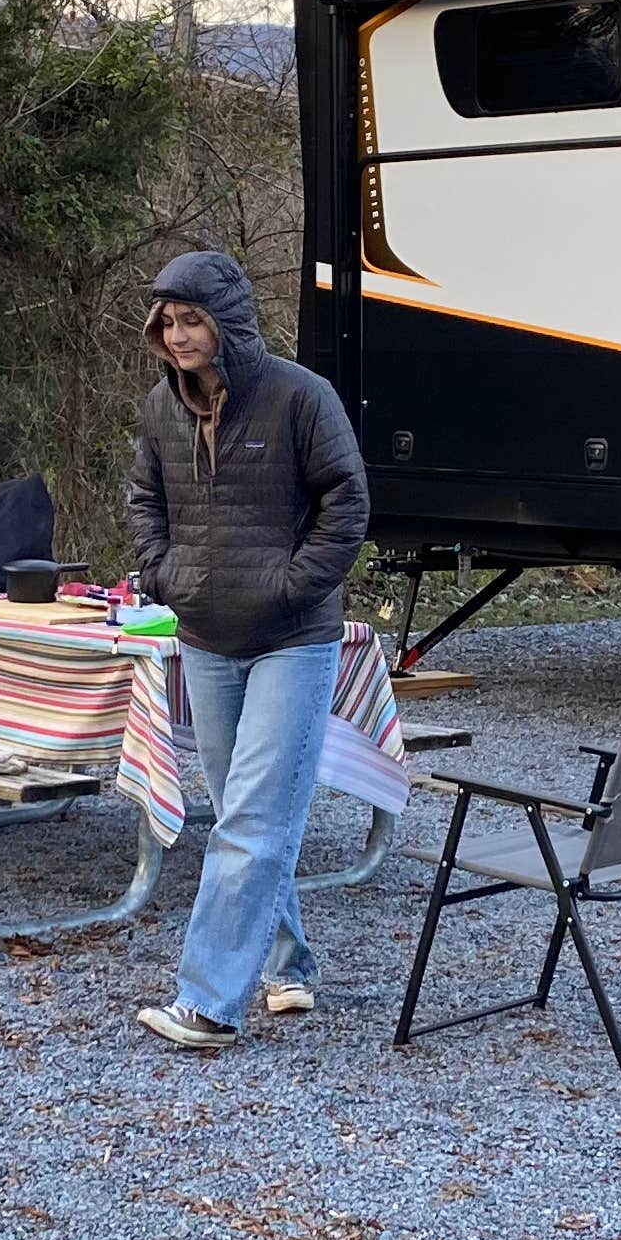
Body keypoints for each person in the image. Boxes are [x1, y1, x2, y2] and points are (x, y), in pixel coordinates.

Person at [122, 248, 370, 1050]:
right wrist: (165, 574)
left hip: (291, 639)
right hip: (205, 637)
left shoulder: (301, 397)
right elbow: (143, 497)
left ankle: (208, 1003)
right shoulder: (161, 409)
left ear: (227, 322)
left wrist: (293, 584)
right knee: (241, 813)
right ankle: (290, 963)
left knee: (257, 818)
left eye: (191, 318)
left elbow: (348, 500)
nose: (176, 332)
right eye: (167, 319)